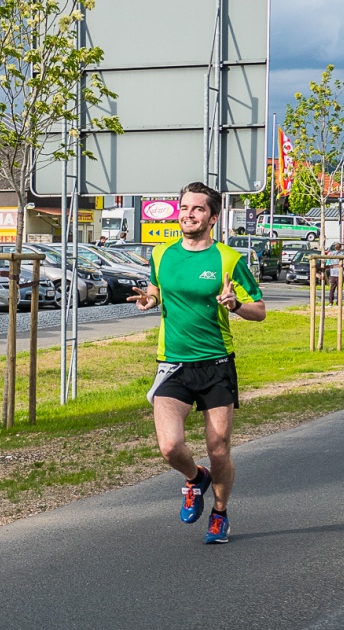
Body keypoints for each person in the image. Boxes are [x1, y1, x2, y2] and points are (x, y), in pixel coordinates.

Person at [127, 182, 266, 544]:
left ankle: (219, 514)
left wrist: (235, 305)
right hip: (172, 364)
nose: (189, 214)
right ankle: (195, 479)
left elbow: (260, 310)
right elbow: (157, 289)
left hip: (217, 364)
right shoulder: (161, 254)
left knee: (219, 449)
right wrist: (150, 300)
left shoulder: (229, 259)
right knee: (169, 447)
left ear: (213, 217)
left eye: (198, 209)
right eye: (184, 207)